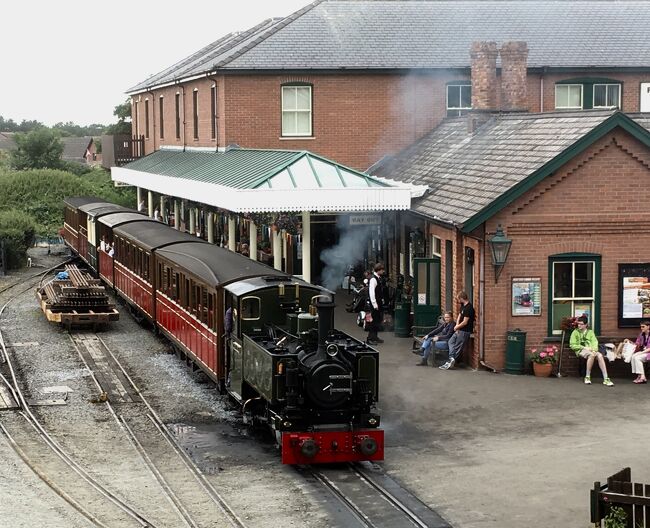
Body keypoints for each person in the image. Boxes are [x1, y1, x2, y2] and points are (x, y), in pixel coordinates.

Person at [569, 316, 614, 386]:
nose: (579, 325)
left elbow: (594, 342)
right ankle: (587, 376)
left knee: (599, 355)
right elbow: (572, 345)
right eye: (578, 324)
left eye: (581, 324)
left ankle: (606, 378)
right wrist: (584, 347)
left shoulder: (590, 332)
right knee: (592, 355)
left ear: (586, 324)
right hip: (581, 350)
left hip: (591, 350)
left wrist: (594, 350)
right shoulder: (575, 332)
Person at [440, 291, 475, 370]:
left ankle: (451, 360)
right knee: (450, 341)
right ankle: (451, 359)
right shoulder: (463, 306)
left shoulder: (469, 308)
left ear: (462, 298)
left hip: (464, 331)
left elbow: (465, 322)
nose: (457, 300)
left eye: (458, 299)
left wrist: (457, 327)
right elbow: (459, 315)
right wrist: (457, 325)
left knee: (457, 347)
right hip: (459, 330)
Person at [366, 263, 386, 345]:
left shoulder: (378, 278)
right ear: (378, 270)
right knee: (373, 321)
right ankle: (370, 338)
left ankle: (375, 337)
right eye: (382, 270)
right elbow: (372, 293)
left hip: (378, 303)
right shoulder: (373, 279)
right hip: (375, 304)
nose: (383, 271)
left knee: (377, 320)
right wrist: (374, 304)